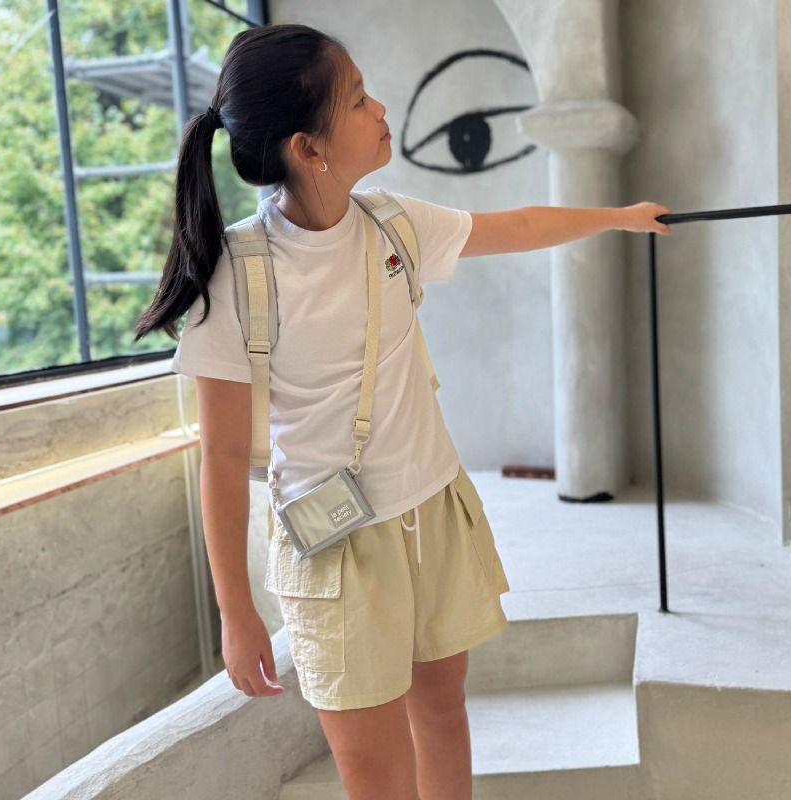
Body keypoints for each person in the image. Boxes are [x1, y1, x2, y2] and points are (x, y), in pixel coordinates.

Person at [134, 22, 671, 800]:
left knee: (444, 712)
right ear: (308, 148)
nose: (380, 107)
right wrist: (237, 610)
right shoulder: (238, 277)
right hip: (336, 548)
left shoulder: (394, 225)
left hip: (432, 511)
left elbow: (517, 226)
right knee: (376, 775)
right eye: (357, 99)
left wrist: (619, 216)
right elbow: (217, 457)